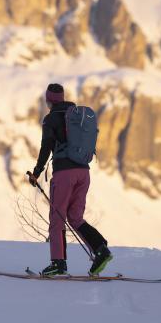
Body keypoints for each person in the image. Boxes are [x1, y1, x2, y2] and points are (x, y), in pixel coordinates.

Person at [27, 83, 112, 277]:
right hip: (84, 172)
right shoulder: (76, 116)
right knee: (75, 217)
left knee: (57, 219)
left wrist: (37, 172)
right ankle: (101, 250)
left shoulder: (51, 119)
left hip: (64, 174)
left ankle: (58, 263)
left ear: (49, 100)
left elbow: (46, 146)